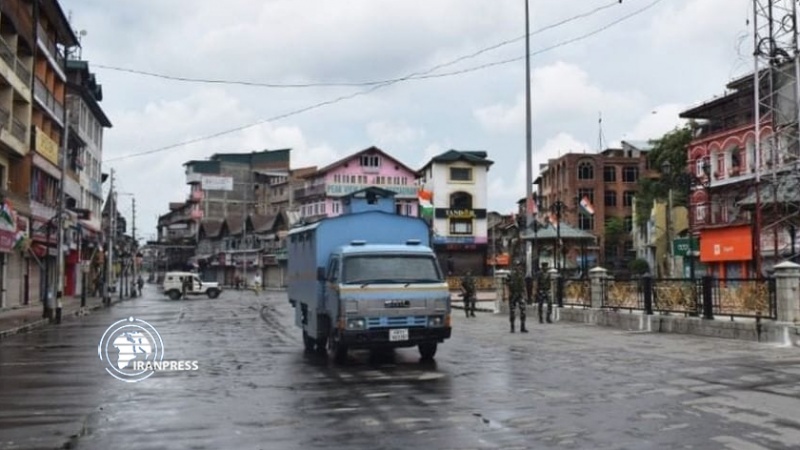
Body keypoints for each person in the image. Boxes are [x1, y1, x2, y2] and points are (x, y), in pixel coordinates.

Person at [506, 261, 528, 333]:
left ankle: (523, 327)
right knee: (512, 311)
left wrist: (525, 294)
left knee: (523, 311)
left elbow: (523, 285)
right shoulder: (510, 275)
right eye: (517, 266)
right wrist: (507, 293)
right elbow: (506, 285)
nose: (519, 267)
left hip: (520, 294)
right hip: (513, 294)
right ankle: (512, 327)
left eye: (519, 266)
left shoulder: (521, 274)